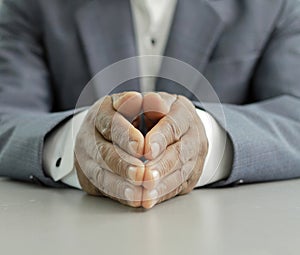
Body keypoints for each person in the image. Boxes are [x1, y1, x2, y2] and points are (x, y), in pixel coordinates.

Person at [0, 0, 300, 209]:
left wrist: (209, 140)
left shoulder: (275, 5)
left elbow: (294, 113)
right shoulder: (32, 5)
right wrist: (71, 140)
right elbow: (6, 116)